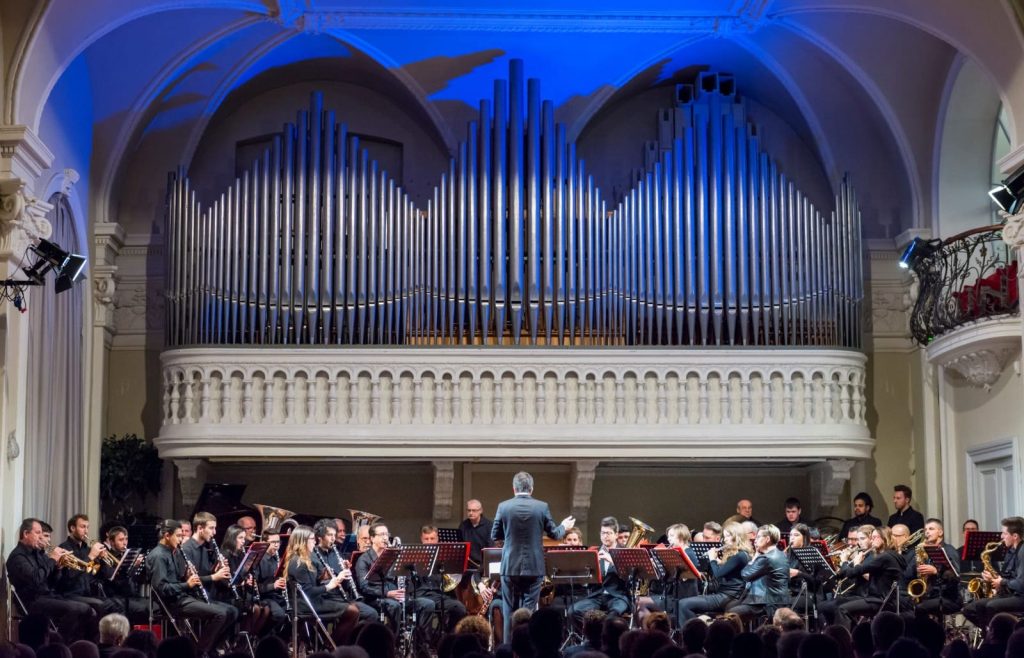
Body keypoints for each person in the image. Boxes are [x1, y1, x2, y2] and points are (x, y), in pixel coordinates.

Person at [490, 470, 574, 641]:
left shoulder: (503, 506)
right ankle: (527, 648)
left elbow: (495, 535)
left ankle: (508, 648)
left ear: (514, 488)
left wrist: (509, 536)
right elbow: (555, 534)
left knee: (508, 610)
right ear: (532, 488)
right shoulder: (541, 507)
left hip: (510, 566)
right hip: (534, 566)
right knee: (529, 612)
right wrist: (564, 526)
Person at [146, 519, 238, 655]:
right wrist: (187, 584)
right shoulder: (159, 556)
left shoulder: (173, 552)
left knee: (232, 612)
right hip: (171, 603)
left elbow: (176, 579)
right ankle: (199, 652)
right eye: (178, 536)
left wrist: (186, 575)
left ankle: (211, 648)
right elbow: (162, 588)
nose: (181, 540)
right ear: (167, 536)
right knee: (220, 613)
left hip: (183, 597)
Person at [6, 518, 96, 641]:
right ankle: (60, 644)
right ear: (26, 534)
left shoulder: (37, 554)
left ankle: (79, 645)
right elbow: (36, 579)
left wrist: (58, 568)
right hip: (31, 600)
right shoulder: (17, 556)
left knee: (90, 611)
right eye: (37, 533)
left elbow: (50, 583)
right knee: (77, 609)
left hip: (47, 596)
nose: (40, 537)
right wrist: (52, 559)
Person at [353, 522, 435, 633]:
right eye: (381, 534)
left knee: (428, 604)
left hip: (395, 596)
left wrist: (406, 581)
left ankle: (420, 638)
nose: (385, 538)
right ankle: (394, 639)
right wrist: (387, 593)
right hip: (376, 598)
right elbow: (364, 587)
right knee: (394, 606)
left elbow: (404, 579)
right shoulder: (363, 560)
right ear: (372, 538)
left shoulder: (393, 557)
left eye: (386, 534)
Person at [678, 521, 753, 624]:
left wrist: (712, 559)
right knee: (686, 602)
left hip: (728, 596)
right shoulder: (742, 554)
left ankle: (694, 632)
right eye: (724, 536)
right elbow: (728, 571)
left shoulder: (740, 555)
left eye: (727, 536)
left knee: (684, 604)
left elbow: (718, 574)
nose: (725, 539)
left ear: (736, 536)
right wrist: (718, 562)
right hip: (726, 594)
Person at [962, 516, 1024, 629]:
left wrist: (1002, 582)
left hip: (1021, 597)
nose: (1001, 537)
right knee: (970, 609)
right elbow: (1008, 576)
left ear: (1015, 536)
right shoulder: (1011, 551)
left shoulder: (1022, 552)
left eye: (1004, 533)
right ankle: (989, 634)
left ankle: (997, 636)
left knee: (991, 606)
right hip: (1011, 594)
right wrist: (993, 578)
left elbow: (1021, 584)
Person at [569, 517, 629, 629]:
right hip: (597, 596)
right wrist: (586, 574)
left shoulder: (625, 552)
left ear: (616, 535)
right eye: (603, 533)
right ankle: (594, 636)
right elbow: (586, 581)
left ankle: (604, 635)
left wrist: (613, 562)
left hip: (617, 597)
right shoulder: (594, 552)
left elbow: (629, 577)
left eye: (608, 533)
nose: (605, 536)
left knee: (613, 615)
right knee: (573, 611)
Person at [55, 514, 118, 618]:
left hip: (87, 593)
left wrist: (101, 559)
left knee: (116, 603)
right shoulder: (64, 548)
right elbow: (70, 575)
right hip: (70, 594)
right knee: (103, 605)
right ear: (72, 528)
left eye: (87, 527)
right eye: (82, 527)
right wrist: (91, 556)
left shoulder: (87, 549)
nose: (86, 531)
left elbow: (94, 572)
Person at [725, 524, 790, 624]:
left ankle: (739, 633)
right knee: (730, 606)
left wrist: (755, 556)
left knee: (731, 613)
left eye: (758, 537)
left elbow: (745, 575)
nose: (755, 540)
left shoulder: (766, 558)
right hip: (779, 600)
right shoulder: (781, 554)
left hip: (767, 603)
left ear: (767, 539)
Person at [907, 517, 961, 617]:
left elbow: (955, 576)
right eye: (926, 530)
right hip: (930, 595)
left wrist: (936, 571)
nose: (927, 532)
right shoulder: (924, 550)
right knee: (906, 606)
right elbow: (908, 574)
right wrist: (917, 558)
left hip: (948, 597)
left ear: (940, 532)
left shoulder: (949, 550)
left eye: (931, 529)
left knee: (920, 608)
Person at [419, 524, 467, 632]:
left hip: (438, 594)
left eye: (432, 538)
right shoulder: (416, 556)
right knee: (428, 605)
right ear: (421, 539)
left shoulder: (443, 557)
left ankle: (449, 635)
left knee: (459, 608)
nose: (429, 542)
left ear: (437, 539)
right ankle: (426, 638)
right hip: (422, 594)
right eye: (426, 539)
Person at [458, 500, 493, 568]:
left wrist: (484, 565)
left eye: (474, 510)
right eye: (469, 510)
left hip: (483, 565)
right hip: (467, 564)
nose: (471, 513)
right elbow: (460, 545)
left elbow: (490, 548)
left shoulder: (489, 526)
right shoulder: (463, 525)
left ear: (481, 511)